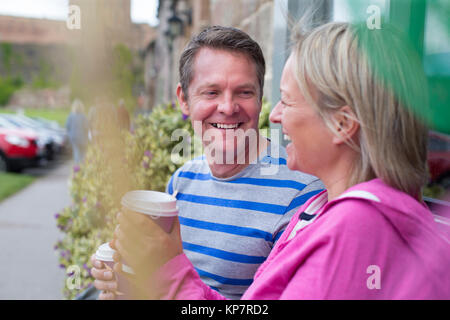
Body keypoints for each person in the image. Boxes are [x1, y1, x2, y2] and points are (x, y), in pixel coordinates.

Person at [109, 22, 450, 299]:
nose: (275, 117)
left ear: (342, 124)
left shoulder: (355, 225)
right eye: (212, 92)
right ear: (184, 99)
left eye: (286, 100)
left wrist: (169, 271)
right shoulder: (324, 208)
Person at [91, 26, 324, 299]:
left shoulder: (303, 194)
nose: (227, 107)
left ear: (261, 98)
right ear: (184, 100)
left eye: (244, 92)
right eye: (211, 92)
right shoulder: (181, 181)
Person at [66, 99, 89, 164]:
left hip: (73, 137)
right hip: (82, 137)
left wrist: (70, 134)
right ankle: (82, 168)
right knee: (83, 154)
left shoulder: (70, 116)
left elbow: (67, 127)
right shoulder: (83, 116)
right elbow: (86, 127)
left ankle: (77, 168)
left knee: (76, 153)